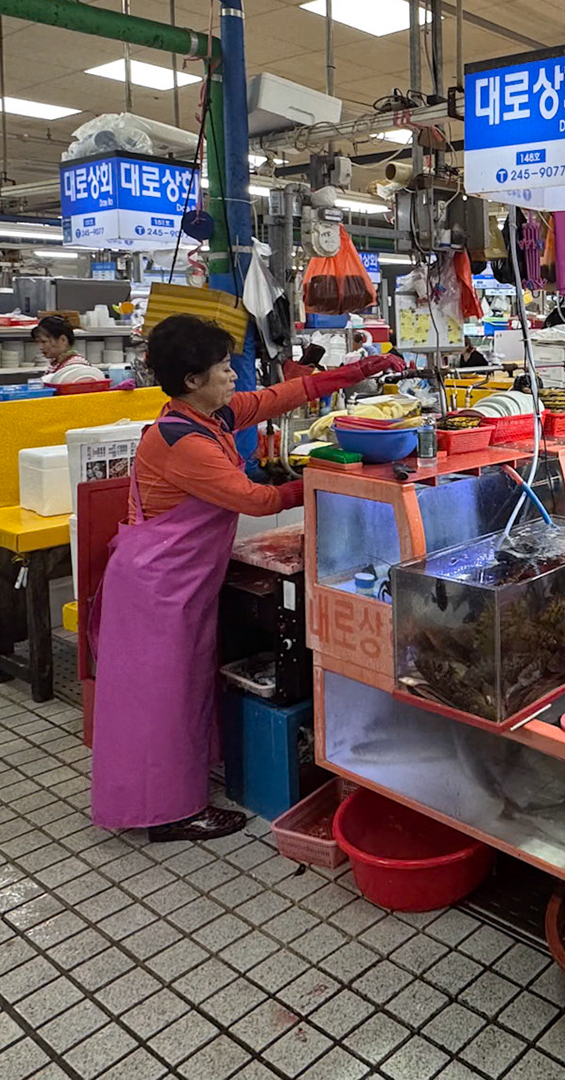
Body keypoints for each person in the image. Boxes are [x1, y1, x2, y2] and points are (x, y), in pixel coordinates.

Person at [90, 314, 404, 841]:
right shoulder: (181, 440)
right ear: (192, 380)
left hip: (179, 580)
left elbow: (284, 395)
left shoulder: (207, 418)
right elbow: (256, 501)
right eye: (223, 367)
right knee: (162, 700)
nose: (234, 375)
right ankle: (172, 814)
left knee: (178, 692)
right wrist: (327, 477)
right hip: (156, 588)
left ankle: (165, 795)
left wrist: (358, 371)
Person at [34, 314, 105, 385]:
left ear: (63, 340)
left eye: (44, 342)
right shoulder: (57, 362)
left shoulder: (75, 366)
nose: (40, 347)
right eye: (38, 342)